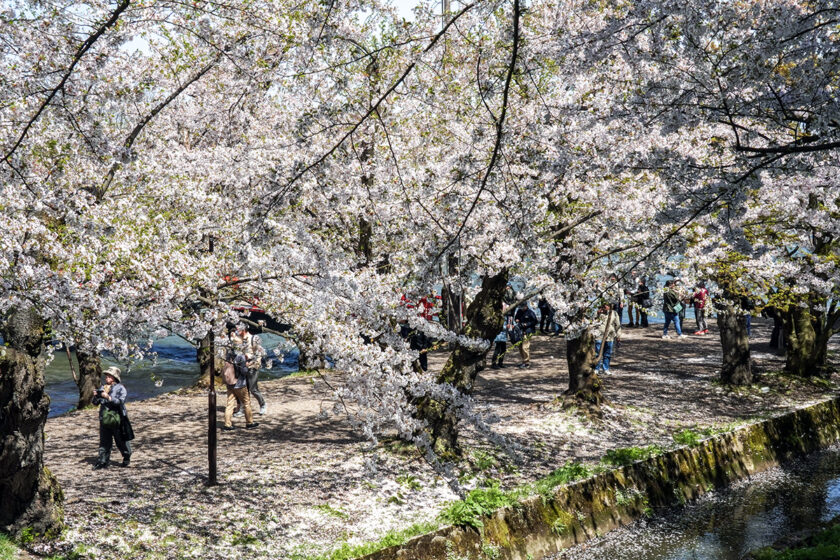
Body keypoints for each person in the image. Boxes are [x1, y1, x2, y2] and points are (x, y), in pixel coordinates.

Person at [92, 366, 132, 469]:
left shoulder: (121, 388)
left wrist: (108, 397)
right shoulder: (103, 387)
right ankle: (103, 461)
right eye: (106, 376)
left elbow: (120, 402)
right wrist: (96, 396)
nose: (106, 378)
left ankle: (126, 456)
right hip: (104, 418)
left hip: (117, 418)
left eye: (109, 376)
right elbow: (95, 403)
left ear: (114, 377)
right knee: (104, 441)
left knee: (121, 441)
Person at [221, 342, 258, 431]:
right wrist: (247, 365)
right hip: (240, 384)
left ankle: (227, 424)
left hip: (230, 384)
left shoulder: (228, 356)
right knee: (246, 403)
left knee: (229, 405)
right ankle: (249, 422)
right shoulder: (240, 357)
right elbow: (244, 372)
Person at [231, 325, 267, 415]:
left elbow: (260, 353)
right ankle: (243, 409)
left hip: (252, 367)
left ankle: (263, 404)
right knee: (242, 389)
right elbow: (235, 351)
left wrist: (250, 359)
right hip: (241, 367)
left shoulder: (254, 338)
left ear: (243, 329)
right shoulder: (238, 339)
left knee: (253, 389)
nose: (237, 331)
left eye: (238, 329)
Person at [594, 304, 621, 374]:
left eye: (607, 305)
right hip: (599, 335)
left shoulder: (614, 313)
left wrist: (618, 336)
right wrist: (597, 314)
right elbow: (593, 322)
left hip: (610, 336)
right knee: (598, 352)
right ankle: (596, 368)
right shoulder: (598, 312)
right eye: (604, 305)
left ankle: (606, 368)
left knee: (607, 353)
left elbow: (617, 325)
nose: (605, 306)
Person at [514, 301, 538, 368]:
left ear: (526, 306)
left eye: (522, 307)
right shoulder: (519, 311)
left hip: (528, 331)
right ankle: (523, 361)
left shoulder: (530, 312)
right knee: (520, 347)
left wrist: (527, 324)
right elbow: (516, 317)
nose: (522, 308)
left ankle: (527, 362)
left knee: (525, 347)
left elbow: (535, 321)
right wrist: (517, 320)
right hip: (520, 331)